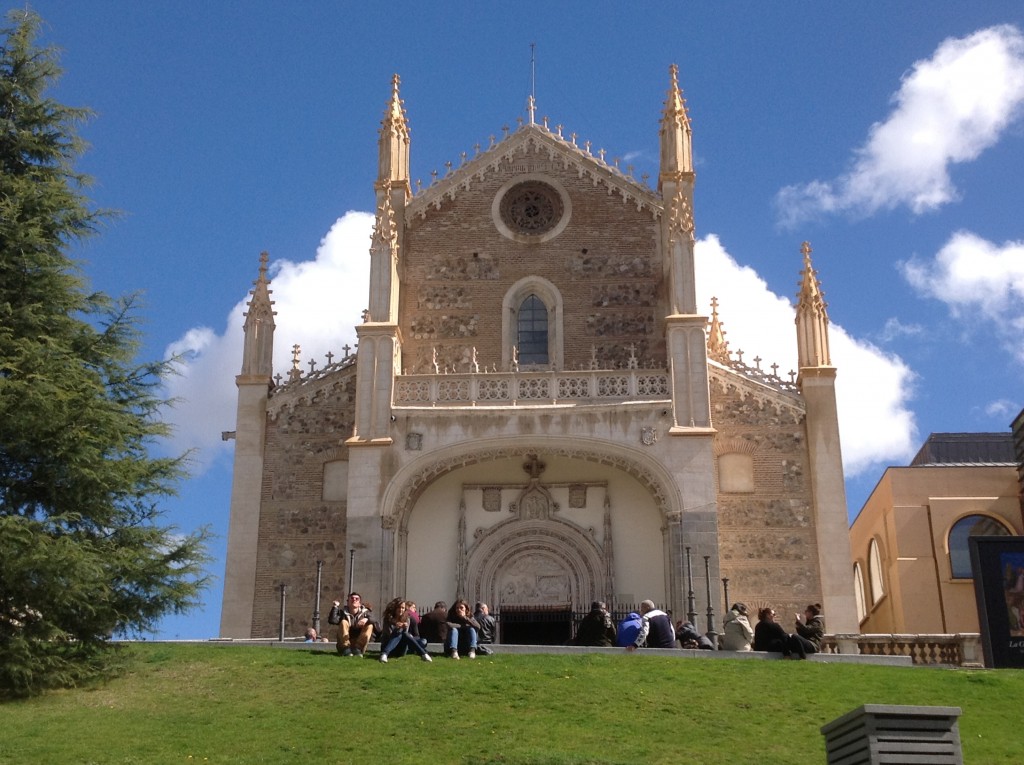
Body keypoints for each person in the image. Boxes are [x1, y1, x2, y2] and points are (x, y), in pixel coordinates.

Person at [378, 598, 432, 663]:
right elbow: (388, 635)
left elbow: (411, 636)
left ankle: (423, 654)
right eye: (399, 607)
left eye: (403, 608)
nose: (401, 610)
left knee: (405, 634)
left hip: (401, 649)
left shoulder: (407, 618)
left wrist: (404, 628)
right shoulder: (388, 619)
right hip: (388, 645)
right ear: (395, 608)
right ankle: (385, 654)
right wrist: (397, 628)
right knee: (399, 632)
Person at [327, 592, 377, 657]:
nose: (354, 600)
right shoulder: (342, 612)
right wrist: (335, 607)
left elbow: (375, 620)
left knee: (370, 625)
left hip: (359, 644)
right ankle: (346, 648)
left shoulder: (365, 613)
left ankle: (358, 649)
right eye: (352, 598)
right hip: (344, 645)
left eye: (357, 599)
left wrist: (367, 619)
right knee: (344, 622)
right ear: (348, 602)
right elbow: (333, 620)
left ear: (360, 603)